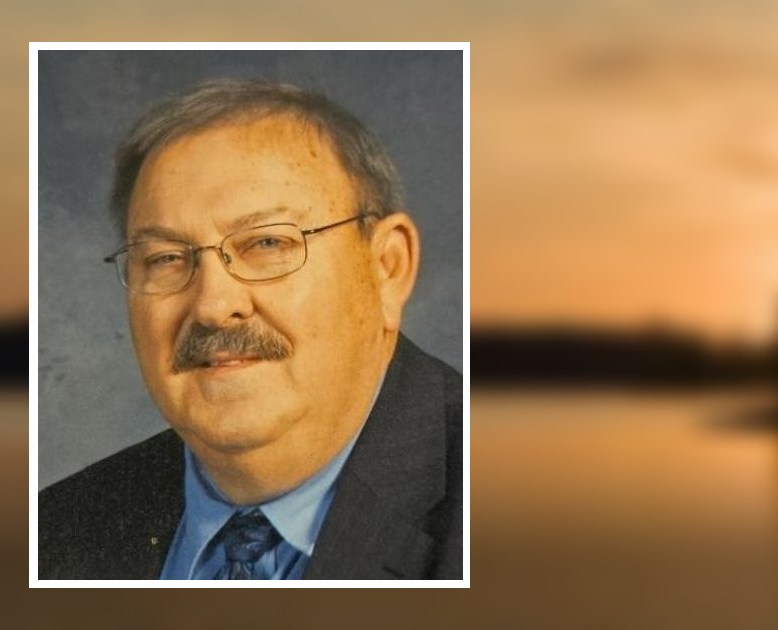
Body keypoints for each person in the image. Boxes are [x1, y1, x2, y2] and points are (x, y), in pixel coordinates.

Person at [39, 78, 463, 580]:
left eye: (266, 244)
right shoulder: (53, 531)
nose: (214, 306)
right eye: (166, 258)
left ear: (387, 268)